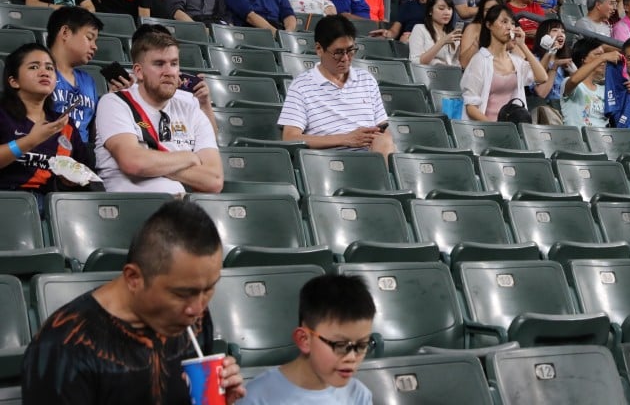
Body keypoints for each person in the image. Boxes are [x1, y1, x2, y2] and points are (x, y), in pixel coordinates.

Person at [21, 200, 246, 403]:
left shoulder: (195, 318)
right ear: (134, 278)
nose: (197, 309)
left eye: (209, 288)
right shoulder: (63, 347)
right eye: (181, 293)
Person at [94, 27, 221, 194]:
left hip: (184, 205)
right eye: (159, 64)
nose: (169, 72)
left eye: (174, 64)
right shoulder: (114, 102)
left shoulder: (192, 111)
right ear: (139, 72)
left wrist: (152, 164)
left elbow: (214, 180)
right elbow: (133, 162)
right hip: (129, 204)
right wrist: (188, 158)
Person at [240, 274, 375, 404]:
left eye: (362, 345)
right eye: (340, 345)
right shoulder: (257, 397)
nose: (352, 357)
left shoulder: (359, 395)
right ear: (304, 339)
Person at [279, 15, 395, 157]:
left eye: (350, 50)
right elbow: (290, 138)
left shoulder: (367, 80)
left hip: (371, 155)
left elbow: (383, 128)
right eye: (338, 53)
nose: (345, 58)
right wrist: (345, 139)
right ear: (319, 49)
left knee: (384, 140)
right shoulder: (301, 86)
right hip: (329, 161)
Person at [0, 43, 93, 207]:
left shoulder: (63, 123)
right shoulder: (3, 115)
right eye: (34, 67)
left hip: (55, 206)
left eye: (50, 68)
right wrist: (30, 141)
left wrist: (71, 181)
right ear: (14, 81)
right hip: (9, 202)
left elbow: (86, 172)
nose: (44, 72)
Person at [46, 7, 121, 144]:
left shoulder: (88, 81)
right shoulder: (41, 74)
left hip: (83, 153)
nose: (95, 46)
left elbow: (94, 135)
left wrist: (109, 101)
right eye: (89, 38)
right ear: (65, 33)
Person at [461, 5, 547, 121]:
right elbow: (471, 107)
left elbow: (542, 77)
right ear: (489, 25)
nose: (509, 27)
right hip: (487, 126)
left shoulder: (516, 61)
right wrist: (498, 128)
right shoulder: (479, 60)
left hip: (514, 126)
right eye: (504, 22)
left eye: (512, 23)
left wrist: (523, 45)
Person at [562, 38, 620, 128]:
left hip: (603, 135)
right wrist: (603, 57)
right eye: (598, 54)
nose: (604, 60)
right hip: (579, 136)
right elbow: (574, 80)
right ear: (583, 59)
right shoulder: (570, 83)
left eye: (603, 55)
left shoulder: (605, 90)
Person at [408, 0, 461, 66]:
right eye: (441, 8)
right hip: (426, 72)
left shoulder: (452, 33)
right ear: (430, 11)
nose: (447, 13)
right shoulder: (419, 29)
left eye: (449, 9)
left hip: (449, 72)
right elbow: (415, 62)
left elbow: (456, 63)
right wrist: (442, 42)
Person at [458, 0, 503, 69]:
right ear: (481, 11)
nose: (491, 14)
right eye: (487, 10)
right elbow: (463, 63)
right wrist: (477, 43)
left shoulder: (509, 28)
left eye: (495, 10)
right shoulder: (473, 28)